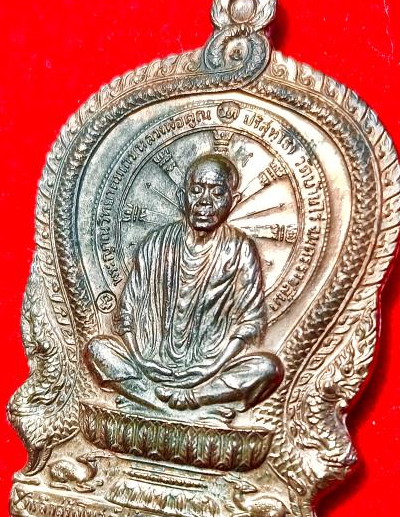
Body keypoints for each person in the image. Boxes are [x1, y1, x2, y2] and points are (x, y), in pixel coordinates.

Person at [85, 154, 283, 418]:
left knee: (268, 369)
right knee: (97, 349)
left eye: (217, 192)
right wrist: (140, 359)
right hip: (147, 365)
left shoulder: (240, 249)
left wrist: (210, 368)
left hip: (211, 369)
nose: (204, 201)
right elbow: (126, 313)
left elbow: (250, 323)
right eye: (196, 190)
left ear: (232, 201)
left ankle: (182, 399)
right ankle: (162, 402)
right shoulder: (156, 243)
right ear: (182, 197)